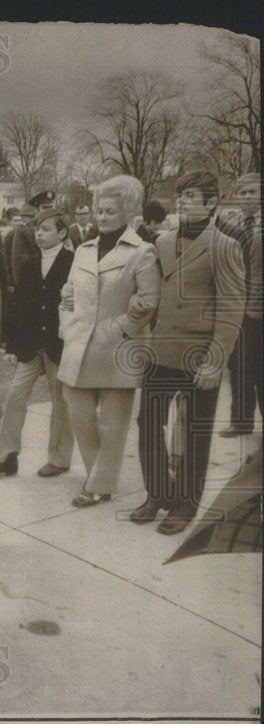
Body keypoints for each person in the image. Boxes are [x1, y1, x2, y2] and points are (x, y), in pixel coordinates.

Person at [132, 171, 245, 534]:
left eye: (191, 195)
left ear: (212, 203)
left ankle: (185, 504)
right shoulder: (162, 242)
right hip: (161, 350)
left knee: (195, 432)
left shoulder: (225, 246)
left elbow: (231, 309)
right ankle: (158, 494)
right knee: (148, 424)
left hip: (200, 354)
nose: (182, 202)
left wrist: (216, 361)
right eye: (180, 195)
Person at [58, 175, 160, 508]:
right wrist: (67, 324)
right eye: (99, 211)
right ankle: (96, 476)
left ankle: (99, 485)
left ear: (128, 213)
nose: (101, 217)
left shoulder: (142, 252)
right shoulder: (84, 249)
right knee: (80, 414)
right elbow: (68, 295)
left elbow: (147, 302)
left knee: (111, 424)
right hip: (78, 347)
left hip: (118, 350)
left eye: (109, 212)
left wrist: (116, 331)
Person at [0, 208, 75, 479]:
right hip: (30, 344)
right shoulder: (30, 265)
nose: (39, 234)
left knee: (61, 402)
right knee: (15, 397)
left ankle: (59, 458)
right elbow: (18, 307)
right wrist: (10, 346)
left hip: (59, 344)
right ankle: (6, 457)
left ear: (61, 233)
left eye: (46, 229)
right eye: (37, 229)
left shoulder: (73, 262)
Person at [217, 172, 262, 438]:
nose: (246, 197)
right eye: (242, 193)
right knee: (239, 366)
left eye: (252, 192)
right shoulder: (229, 223)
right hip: (236, 305)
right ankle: (241, 421)